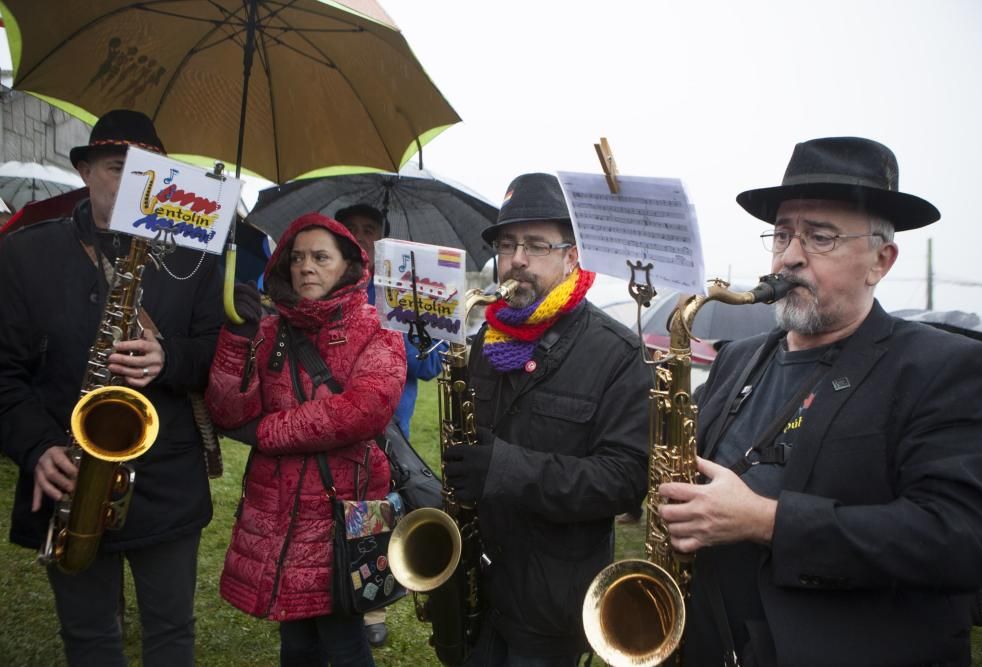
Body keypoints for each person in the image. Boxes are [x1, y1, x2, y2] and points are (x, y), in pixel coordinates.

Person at [657, 137, 982, 666]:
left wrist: (766, 521)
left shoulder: (944, 367)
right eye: (782, 235)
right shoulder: (737, 357)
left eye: (820, 237)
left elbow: (963, 541)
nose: (789, 256)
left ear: (880, 261)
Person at [0, 109, 224, 665]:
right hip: (66, 475)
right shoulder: (24, 253)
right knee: (89, 637)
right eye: (115, 166)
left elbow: (217, 355)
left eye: (144, 171)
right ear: (86, 171)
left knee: (172, 631)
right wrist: (36, 448)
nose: (128, 182)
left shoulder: (195, 258)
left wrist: (169, 358)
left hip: (166, 473)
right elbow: (3, 371)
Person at [441, 172, 650, 665]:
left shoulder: (617, 352)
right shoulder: (486, 341)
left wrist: (502, 470)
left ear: (571, 255)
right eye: (508, 244)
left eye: (535, 245)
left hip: (552, 600)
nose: (516, 260)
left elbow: (623, 481)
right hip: (477, 580)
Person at [205, 212, 406, 666]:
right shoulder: (269, 331)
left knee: (344, 639)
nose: (306, 268)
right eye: (297, 258)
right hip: (279, 516)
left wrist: (268, 432)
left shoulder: (378, 332)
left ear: (348, 267)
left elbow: (362, 411)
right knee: (296, 644)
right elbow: (229, 411)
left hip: (343, 515)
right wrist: (237, 338)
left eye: (321, 257)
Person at [336, 202, 445, 647]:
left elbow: (428, 366)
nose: (362, 236)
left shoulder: (404, 291)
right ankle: (326, 592)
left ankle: (371, 606)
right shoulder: (326, 284)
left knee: (371, 505)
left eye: (371, 229)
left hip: (387, 428)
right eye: (353, 229)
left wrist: (411, 318)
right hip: (332, 416)